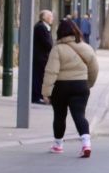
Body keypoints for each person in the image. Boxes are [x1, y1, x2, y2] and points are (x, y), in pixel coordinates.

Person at [41, 20, 98, 158]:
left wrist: (46, 92)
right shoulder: (86, 47)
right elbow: (94, 69)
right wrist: (88, 84)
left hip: (61, 87)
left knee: (60, 116)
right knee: (79, 115)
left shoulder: (57, 49)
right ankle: (86, 143)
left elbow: (51, 72)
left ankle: (58, 145)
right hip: (80, 85)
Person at [30, 9, 55, 104]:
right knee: (38, 77)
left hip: (42, 57)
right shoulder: (41, 27)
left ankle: (39, 96)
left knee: (41, 77)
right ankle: (36, 97)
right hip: (40, 58)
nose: (52, 18)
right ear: (44, 17)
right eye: (50, 16)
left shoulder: (45, 27)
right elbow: (47, 43)